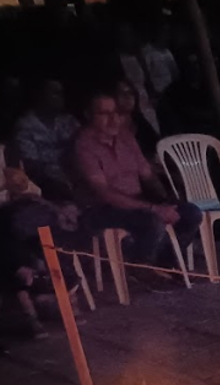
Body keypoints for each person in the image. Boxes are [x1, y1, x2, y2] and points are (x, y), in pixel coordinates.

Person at [73, 92, 203, 284]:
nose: (113, 119)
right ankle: (141, 267)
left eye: (116, 113)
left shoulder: (126, 138)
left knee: (190, 212)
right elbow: (103, 193)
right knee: (151, 219)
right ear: (89, 116)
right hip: (101, 208)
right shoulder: (84, 146)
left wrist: (166, 200)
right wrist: (153, 208)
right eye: (104, 114)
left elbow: (147, 175)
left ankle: (166, 263)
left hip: (137, 201)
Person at [0, 139, 83, 338]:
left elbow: (28, 187)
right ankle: (44, 291)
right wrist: (2, 184)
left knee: (25, 226)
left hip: (14, 216)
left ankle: (37, 294)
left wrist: (22, 186)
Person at [12, 79, 80, 201]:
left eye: (61, 93)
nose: (61, 97)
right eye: (55, 93)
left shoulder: (69, 121)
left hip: (75, 176)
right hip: (44, 182)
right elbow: (31, 164)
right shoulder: (26, 124)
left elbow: (85, 150)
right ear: (41, 96)